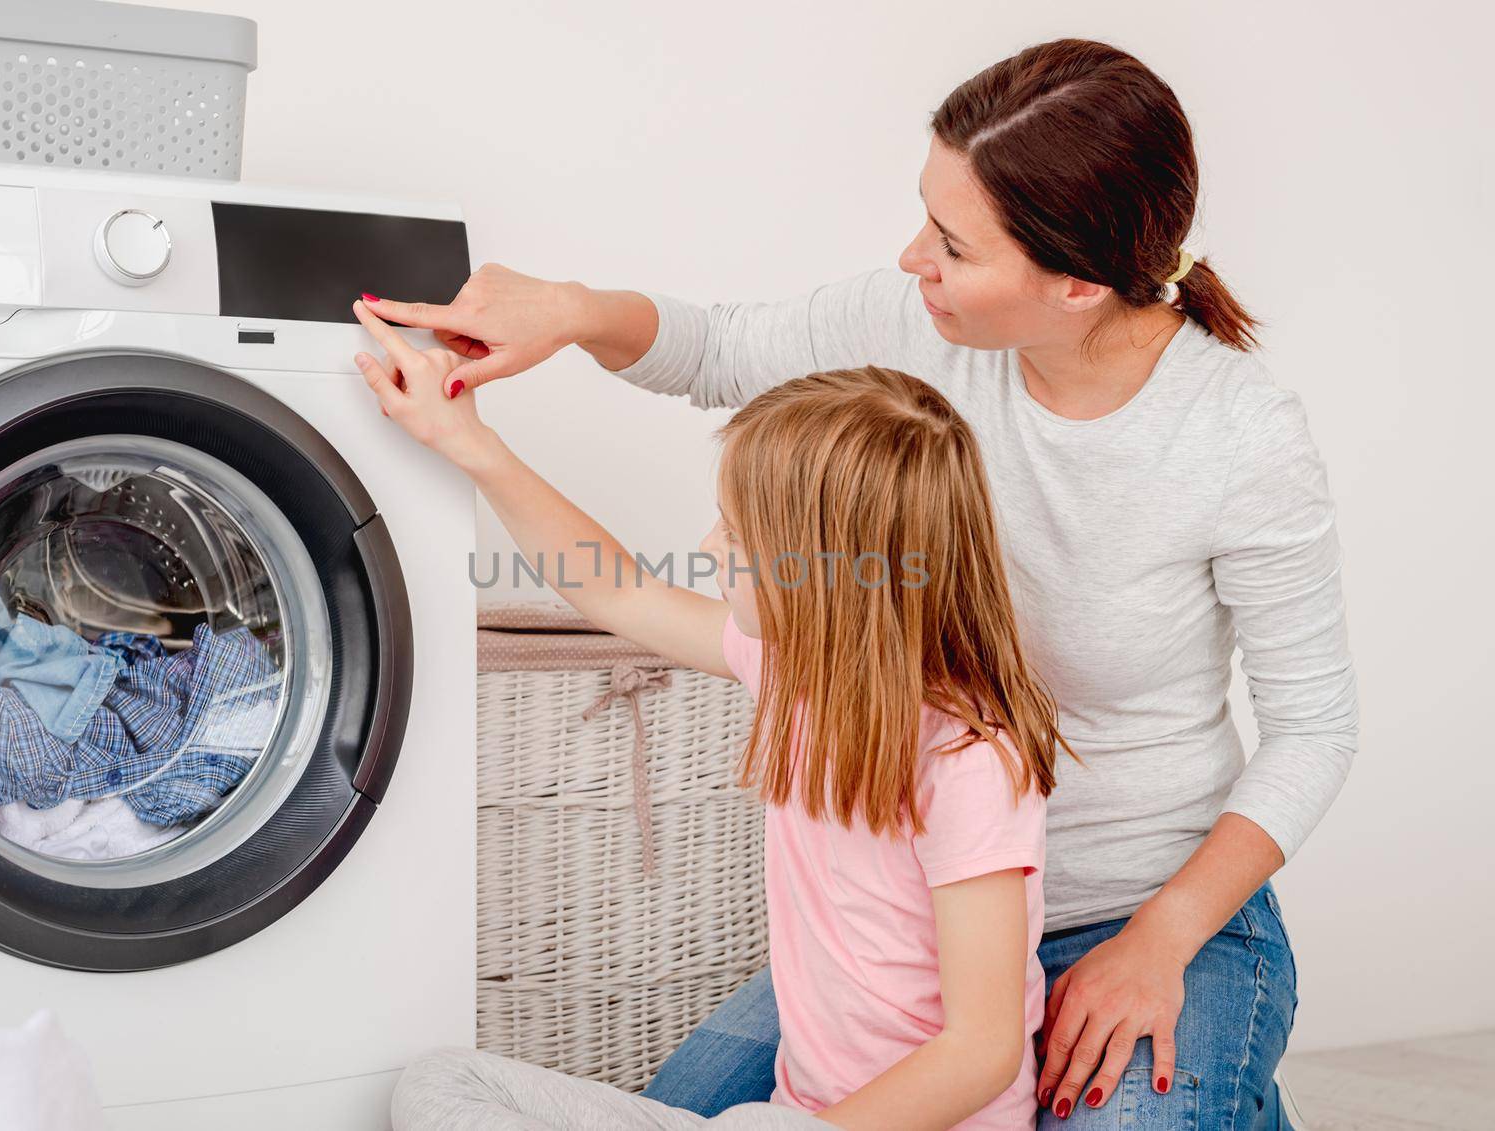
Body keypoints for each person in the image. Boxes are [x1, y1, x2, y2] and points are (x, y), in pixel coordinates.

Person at [357, 36, 1357, 1129]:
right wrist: (562, 325)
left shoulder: (1236, 439)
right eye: (926, 214)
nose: (909, 258)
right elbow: (712, 368)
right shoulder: (916, 336)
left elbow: (1314, 730)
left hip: (1144, 910)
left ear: (1074, 283)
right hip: (911, 938)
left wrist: (1158, 940)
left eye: (952, 243)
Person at [353, 319, 1065, 1129]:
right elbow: (616, 591)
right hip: (788, 1115)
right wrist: (470, 444)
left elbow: (982, 1048)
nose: (706, 545)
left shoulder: (969, 762)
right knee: (439, 1085)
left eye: (734, 532)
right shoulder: (798, 672)